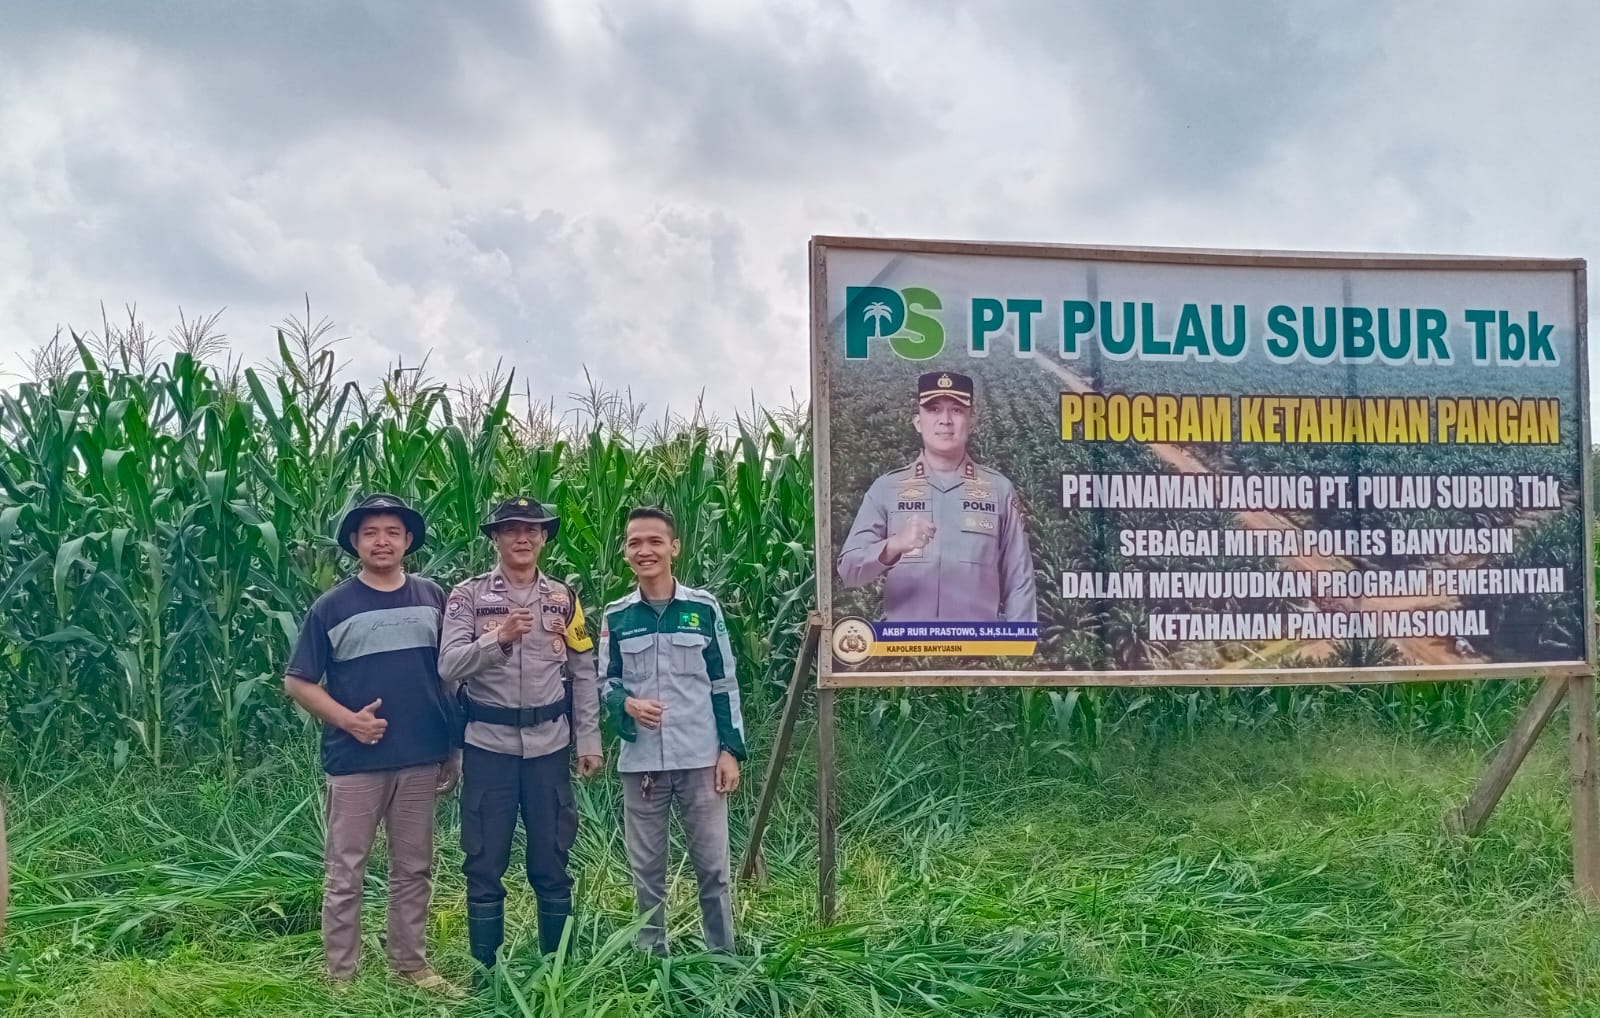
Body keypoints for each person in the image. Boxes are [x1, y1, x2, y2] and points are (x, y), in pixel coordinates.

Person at [282, 493, 460, 996]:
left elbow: (448, 677)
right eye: (370, 533)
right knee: (345, 870)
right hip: (356, 761)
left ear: (407, 541)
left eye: (392, 533)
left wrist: (453, 747)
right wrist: (348, 721)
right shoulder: (332, 606)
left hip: (422, 756)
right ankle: (341, 974)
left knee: (414, 868)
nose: (382, 541)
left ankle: (410, 964)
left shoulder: (431, 596)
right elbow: (298, 681)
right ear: (355, 543)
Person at [438, 497, 603, 983]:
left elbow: (583, 672)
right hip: (489, 747)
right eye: (511, 529)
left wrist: (589, 740)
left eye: (532, 529)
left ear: (545, 538)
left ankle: (558, 973)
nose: (523, 537)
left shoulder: (563, 599)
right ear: (495, 538)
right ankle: (484, 975)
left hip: (549, 747)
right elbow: (448, 666)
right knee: (485, 863)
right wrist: (499, 639)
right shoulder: (467, 597)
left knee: (552, 859)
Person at [600, 506, 747, 955]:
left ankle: (722, 956)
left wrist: (731, 750)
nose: (645, 551)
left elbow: (724, 682)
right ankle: (652, 957)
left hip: (701, 758)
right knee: (647, 870)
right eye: (634, 543)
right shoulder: (617, 615)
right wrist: (626, 703)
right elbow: (604, 681)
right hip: (642, 763)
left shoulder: (702, 609)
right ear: (625, 552)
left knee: (713, 867)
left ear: (674, 548)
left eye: (654, 542)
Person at [837, 370, 1037, 623]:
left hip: (978, 651)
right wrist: (894, 545)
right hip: (903, 653)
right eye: (933, 409)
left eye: (956, 410)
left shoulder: (998, 489)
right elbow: (849, 570)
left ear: (972, 421)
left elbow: (1019, 579)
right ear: (918, 422)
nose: (945, 420)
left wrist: (1016, 648)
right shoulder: (886, 488)